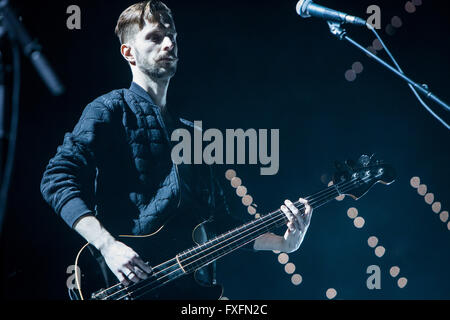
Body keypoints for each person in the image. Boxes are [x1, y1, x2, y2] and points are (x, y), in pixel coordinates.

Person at [40, 0, 312, 292]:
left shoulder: (194, 135)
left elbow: (220, 224)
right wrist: (108, 246)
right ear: (128, 52)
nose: (169, 44)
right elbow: (56, 179)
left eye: (172, 36)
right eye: (155, 37)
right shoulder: (109, 109)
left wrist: (283, 243)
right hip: (127, 284)